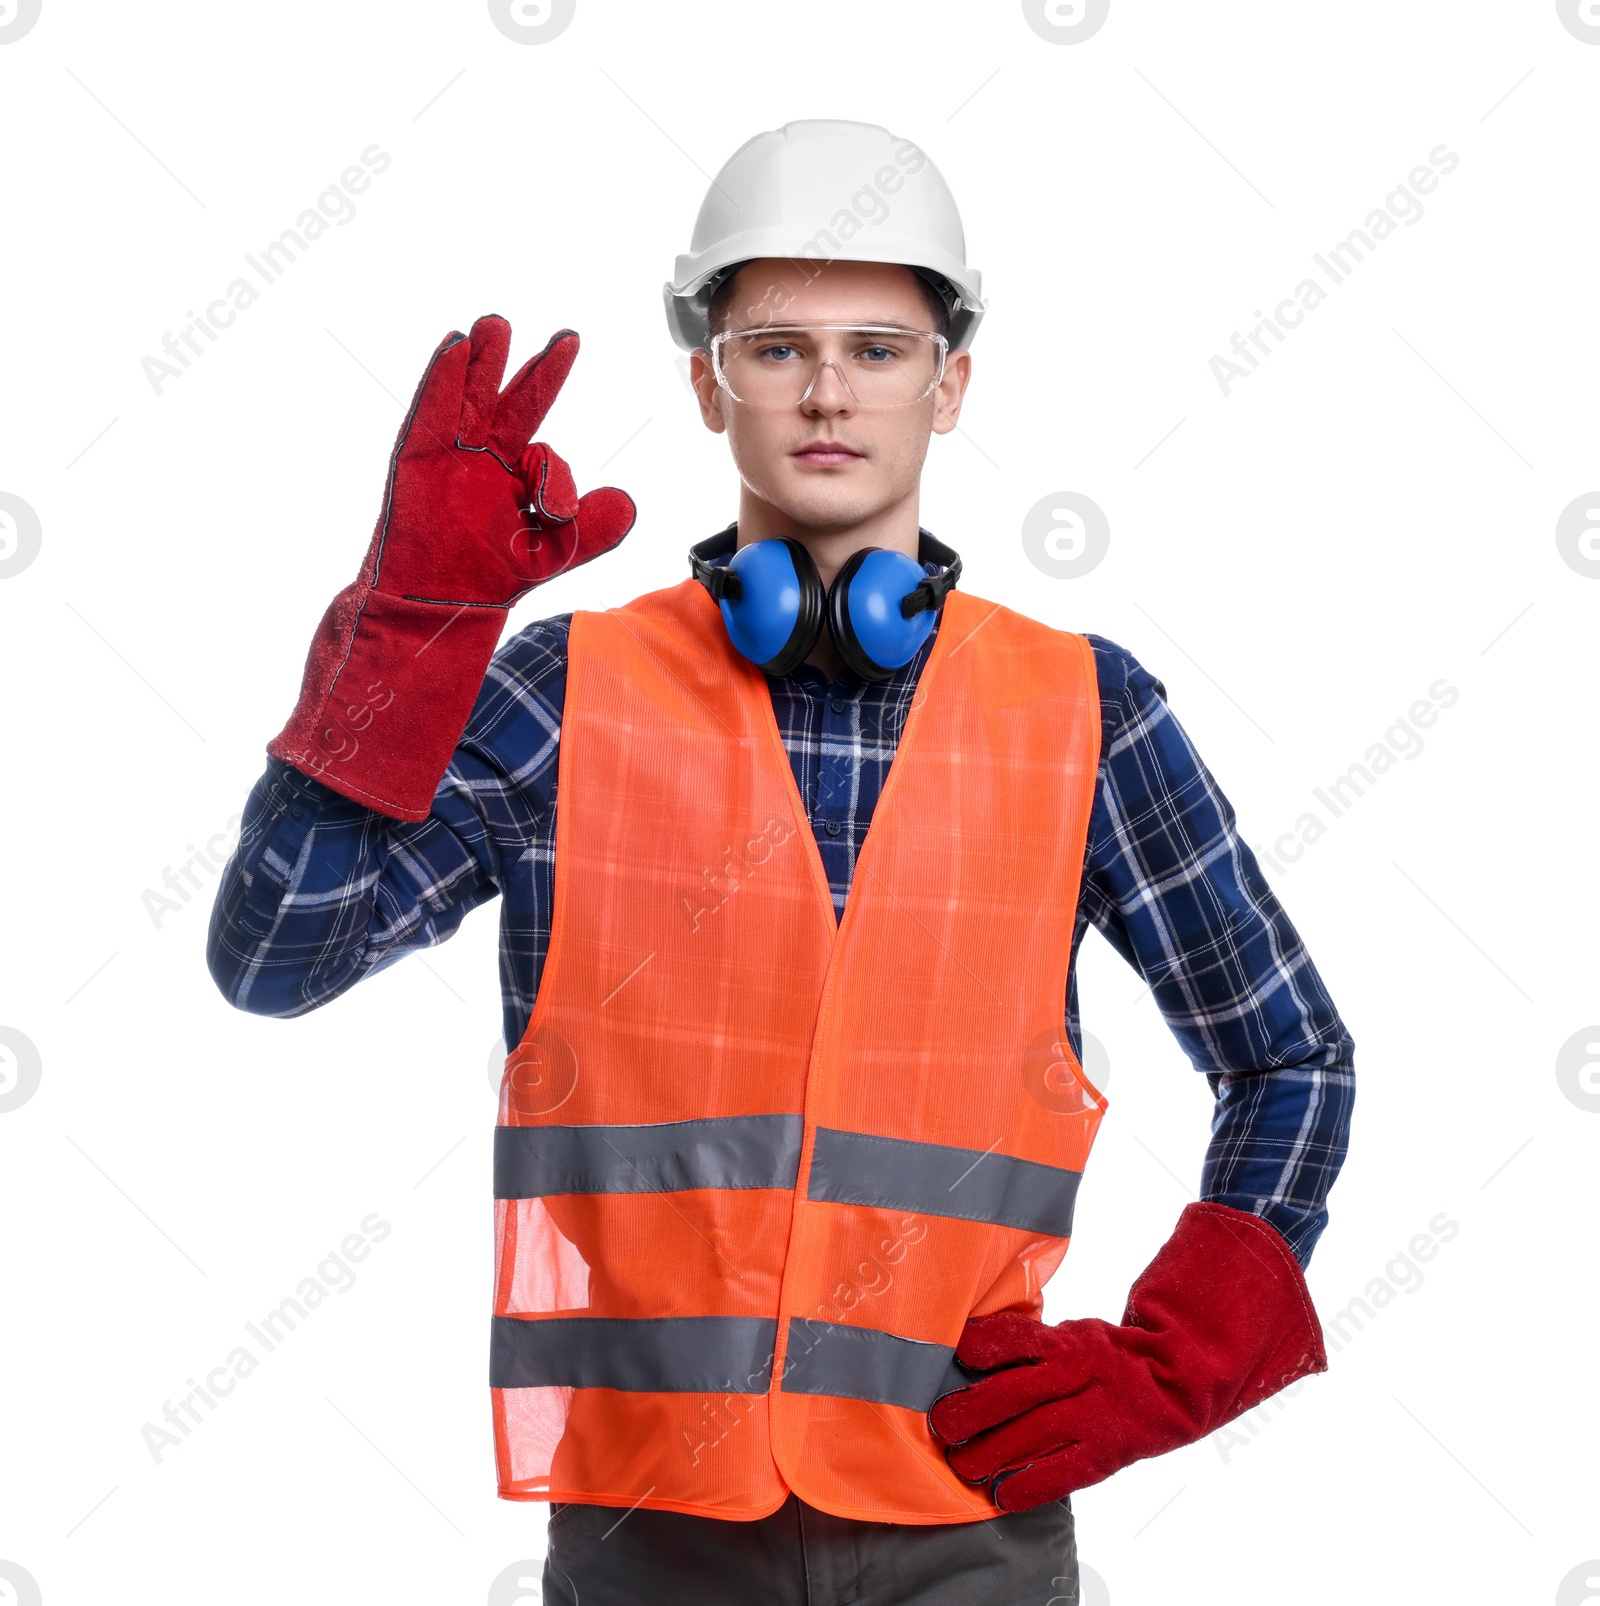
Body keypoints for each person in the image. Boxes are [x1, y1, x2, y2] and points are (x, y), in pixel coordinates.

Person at [208, 120, 1354, 1605]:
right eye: (776, 347)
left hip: (971, 1518)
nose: (827, 391)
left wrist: (1178, 1356)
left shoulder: (1087, 712)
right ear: (706, 380)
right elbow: (274, 954)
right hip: (649, 1537)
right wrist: (411, 624)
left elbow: (1293, 1059)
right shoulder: (567, 692)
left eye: (880, 348)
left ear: (951, 387)